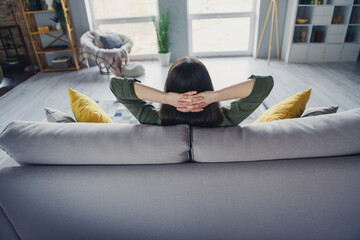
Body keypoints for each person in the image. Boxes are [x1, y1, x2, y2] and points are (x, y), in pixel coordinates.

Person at [110, 57, 273, 127]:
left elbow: (116, 85)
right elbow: (264, 84)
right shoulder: (226, 120)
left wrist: (166, 98)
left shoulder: (152, 120)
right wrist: (213, 97)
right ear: (207, 85)